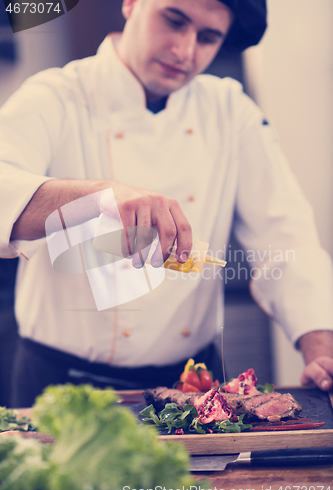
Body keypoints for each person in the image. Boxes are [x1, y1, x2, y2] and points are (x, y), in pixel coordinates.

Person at [0, 0, 332, 407]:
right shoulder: (56, 95)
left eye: (208, 38)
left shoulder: (231, 111)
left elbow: (286, 238)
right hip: (62, 383)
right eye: (174, 21)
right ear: (131, 4)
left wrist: (321, 346)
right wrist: (96, 197)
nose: (185, 51)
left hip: (190, 384)